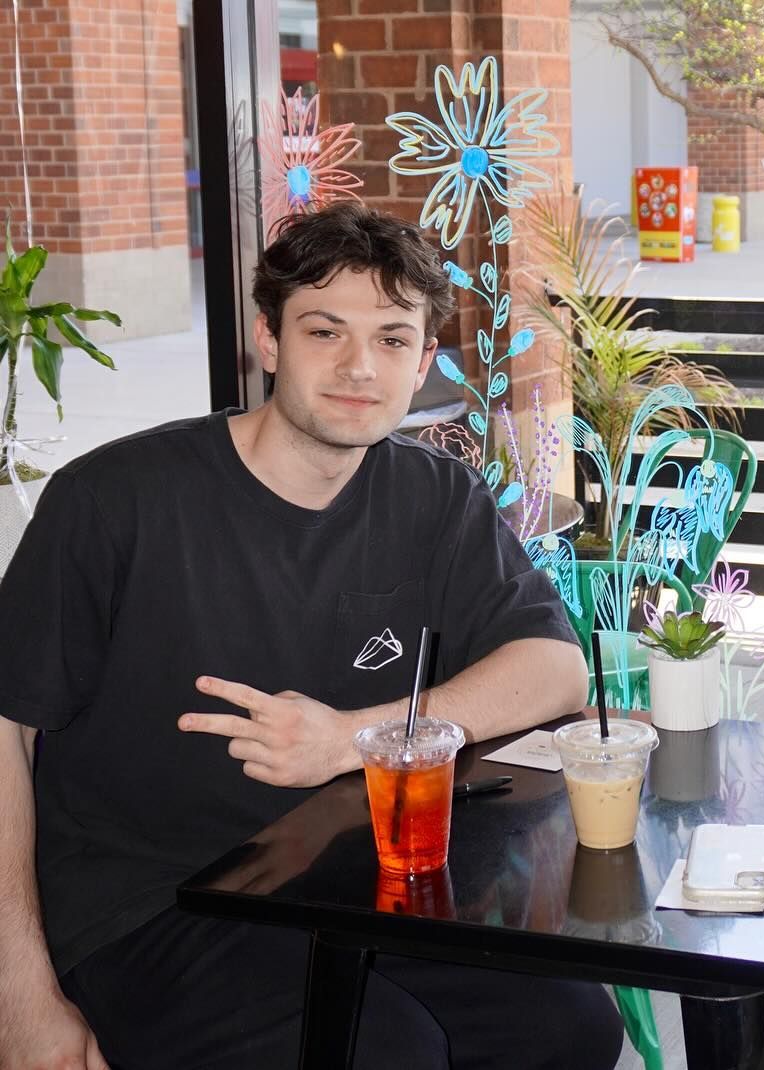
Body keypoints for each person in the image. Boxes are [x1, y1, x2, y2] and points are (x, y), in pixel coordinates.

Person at [0, 203, 624, 1070]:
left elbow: (555, 668)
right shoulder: (114, 502)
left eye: (393, 339)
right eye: (324, 330)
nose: (359, 366)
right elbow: (5, 729)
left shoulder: (432, 497)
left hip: (350, 881)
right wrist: (20, 1005)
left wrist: (353, 737)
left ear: (424, 363)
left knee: (571, 1028)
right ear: (268, 339)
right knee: (383, 1051)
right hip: (152, 901)